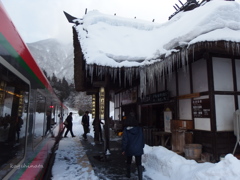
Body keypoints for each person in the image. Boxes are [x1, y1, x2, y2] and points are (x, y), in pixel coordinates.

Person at [122, 111, 144, 180]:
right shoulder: (140, 129)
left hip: (129, 148)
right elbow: (142, 139)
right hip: (138, 148)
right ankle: (140, 177)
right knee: (139, 163)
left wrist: (123, 149)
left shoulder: (126, 130)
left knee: (128, 161)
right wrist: (141, 146)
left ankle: (128, 174)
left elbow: (125, 141)